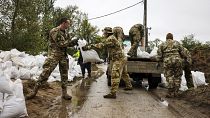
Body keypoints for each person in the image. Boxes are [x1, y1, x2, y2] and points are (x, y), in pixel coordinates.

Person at [26, 17, 78, 100]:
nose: (69, 25)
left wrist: (75, 42)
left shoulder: (66, 32)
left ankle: (64, 94)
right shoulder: (55, 31)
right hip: (54, 56)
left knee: (64, 75)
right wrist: (71, 42)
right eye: (68, 23)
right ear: (64, 23)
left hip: (63, 56)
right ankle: (33, 92)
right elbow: (60, 44)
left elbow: (67, 44)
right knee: (45, 73)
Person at [82, 27, 133, 99]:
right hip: (122, 58)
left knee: (115, 74)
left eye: (104, 32)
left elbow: (101, 45)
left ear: (107, 33)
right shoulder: (112, 38)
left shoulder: (111, 38)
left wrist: (88, 47)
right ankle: (129, 86)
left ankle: (113, 93)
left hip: (119, 59)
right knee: (124, 73)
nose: (103, 34)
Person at [156, 33, 189, 98]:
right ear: (172, 38)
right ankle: (176, 93)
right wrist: (185, 58)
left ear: (166, 38)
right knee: (177, 77)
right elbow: (183, 53)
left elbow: (159, 56)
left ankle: (170, 93)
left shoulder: (162, 44)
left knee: (169, 77)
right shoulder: (177, 43)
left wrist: (158, 62)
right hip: (177, 61)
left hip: (167, 62)